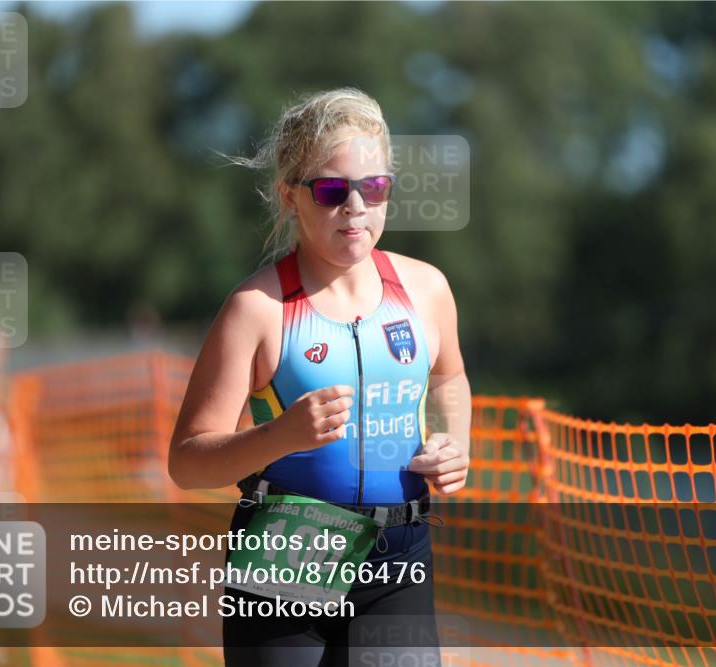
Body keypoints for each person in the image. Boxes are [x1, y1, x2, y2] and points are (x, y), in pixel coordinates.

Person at [169, 87, 471, 666]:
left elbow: (449, 379)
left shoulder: (427, 290)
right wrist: (279, 437)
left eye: (374, 187)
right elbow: (186, 462)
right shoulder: (256, 309)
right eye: (332, 191)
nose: (355, 207)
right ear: (291, 197)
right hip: (289, 551)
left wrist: (456, 442)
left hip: (398, 556)